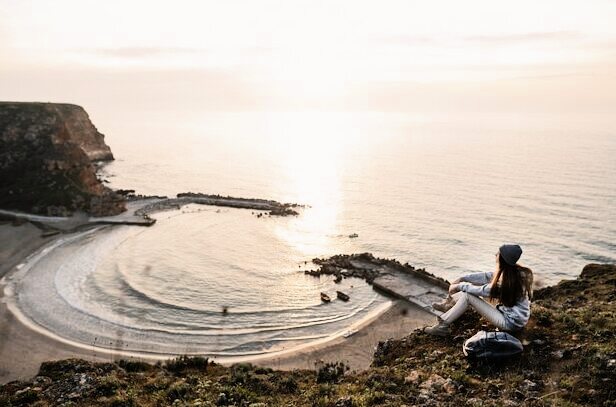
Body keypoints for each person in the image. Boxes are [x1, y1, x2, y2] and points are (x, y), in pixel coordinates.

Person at [424, 244, 533, 336]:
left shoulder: (507, 283)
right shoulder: (514, 272)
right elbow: (486, 276)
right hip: (514, 319)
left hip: (510, 323)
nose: (495, 254)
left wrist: (459, 286)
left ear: (502, 258)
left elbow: (482, 290)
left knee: (467, 296)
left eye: (498, 253)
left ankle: (442, 326)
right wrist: (463, 278)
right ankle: (448, 304)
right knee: (467, 291)